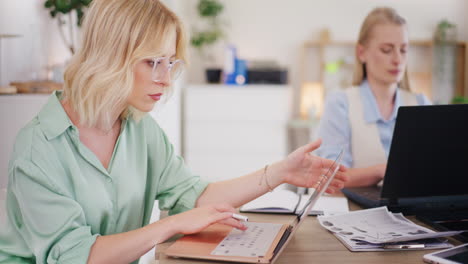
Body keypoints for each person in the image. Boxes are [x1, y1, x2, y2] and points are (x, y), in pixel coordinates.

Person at [0, 0, 347, 263]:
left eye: (169, 63)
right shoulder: (39, 147)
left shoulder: (140, 129)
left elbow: (194, 196)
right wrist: (170, 225)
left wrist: (278, 173)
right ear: (111, 57)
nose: (165, 79)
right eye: (152, 62)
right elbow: (77, 256)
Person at [315, 7, 430, 188]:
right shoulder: (340, 104)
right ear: (362, 53)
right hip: (353, 213)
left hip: (411, 215)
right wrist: (381, 171)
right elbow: (330, 179)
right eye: (386, 50)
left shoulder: (421, 104)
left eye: (404, 50)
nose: (397, 59)